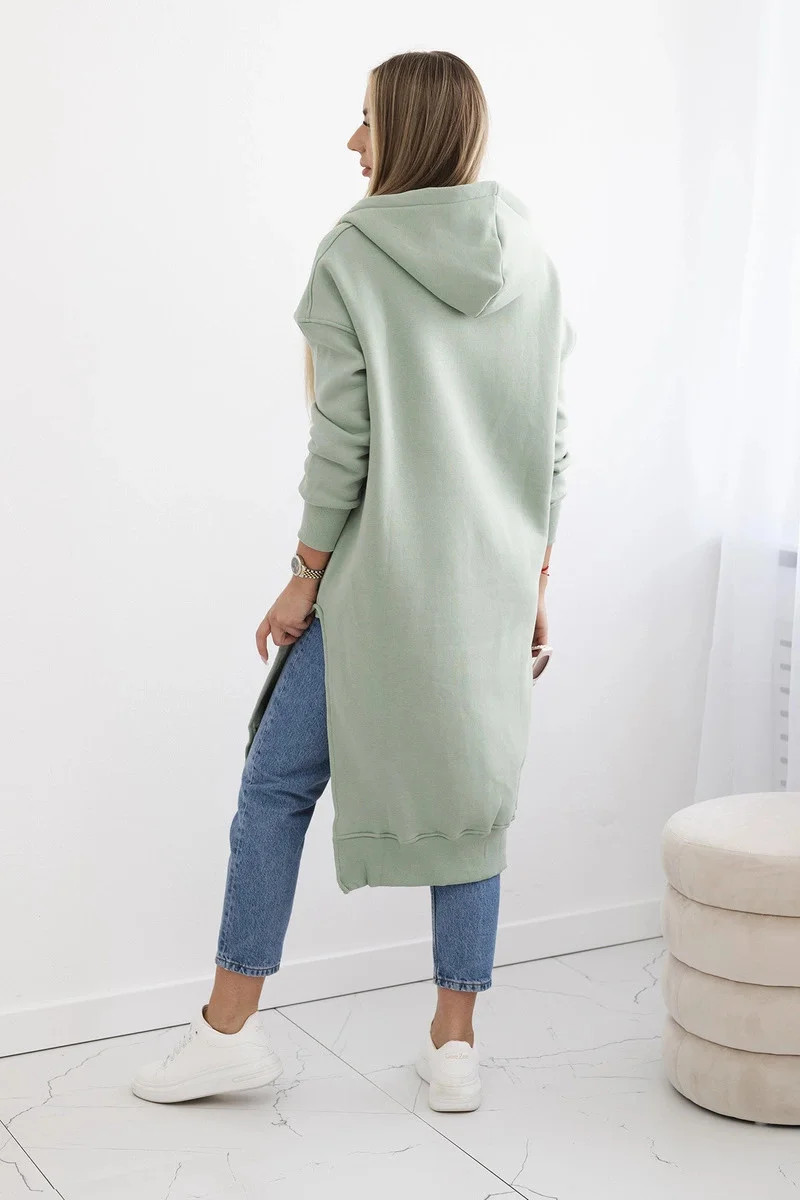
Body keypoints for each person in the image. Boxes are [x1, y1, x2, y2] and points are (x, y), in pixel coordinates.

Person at [132, 49, 575, 1114]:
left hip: (377, 587)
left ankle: (228, 1031)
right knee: (470, 805)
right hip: (488, 585)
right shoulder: (530, 252)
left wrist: (302, 576)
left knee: (274, 786)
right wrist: (533, 579)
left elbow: (344, 446)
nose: (353, 140)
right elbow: (550, 444)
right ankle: (454, 1048)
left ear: (408, 130)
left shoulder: (353, 252)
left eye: (367, 119)